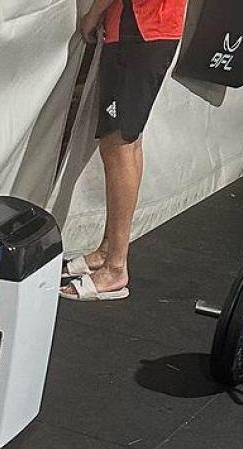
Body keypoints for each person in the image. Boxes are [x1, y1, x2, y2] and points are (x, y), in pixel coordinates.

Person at [62, 0, 188, 304]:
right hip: (143, 27)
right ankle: (108, 252)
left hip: (141, 29)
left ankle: (116, 267)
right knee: (124, 142)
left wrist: (93, 14)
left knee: (120, 144)